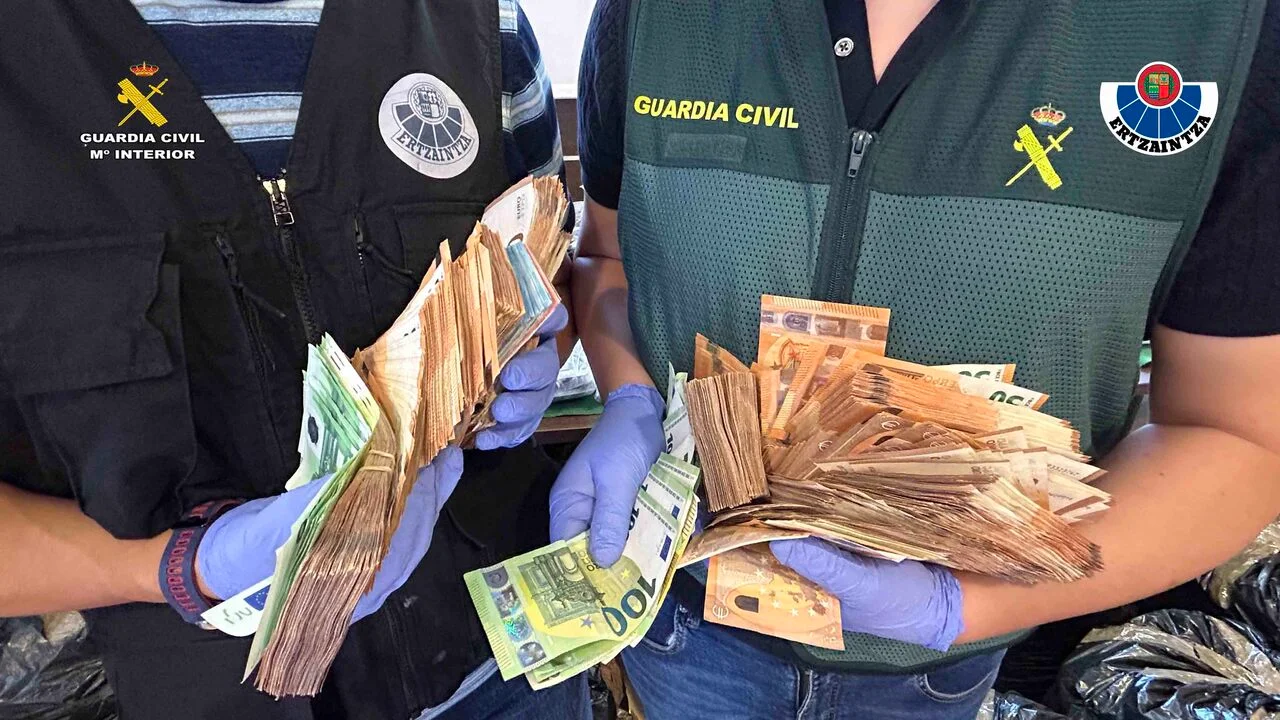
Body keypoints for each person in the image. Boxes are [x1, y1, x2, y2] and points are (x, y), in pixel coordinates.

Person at [559, 0, 1280, 717]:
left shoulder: (1231, 32)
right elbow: (606, 253)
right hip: (681, 622)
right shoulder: (648, 15)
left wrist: (960, 607)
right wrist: (628, 394)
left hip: (939, 664)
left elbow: (1239, 432)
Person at [0, 1, 587, 719]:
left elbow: (546, 265)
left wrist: (531, 352)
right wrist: (186, 569)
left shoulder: (479, 23)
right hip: (193, 690)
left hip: (497, 660)